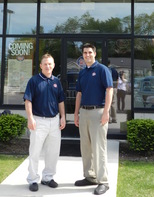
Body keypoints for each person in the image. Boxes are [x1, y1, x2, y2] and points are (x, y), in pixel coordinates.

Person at [74, 43, 113, 195]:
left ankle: (103, 181)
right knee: (86, 147)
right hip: (84, 113)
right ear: (82, 55)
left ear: (95, 54)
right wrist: (76, 114)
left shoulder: (102, 69)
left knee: (99, 148)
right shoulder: (82, 73)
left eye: (90, 52)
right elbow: (79, 94)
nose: (87, 55)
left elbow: (110, 90)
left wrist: (106, 112)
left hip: (99, 112)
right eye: (85, 52)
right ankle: (90, 176)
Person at [23, 53, 66, 192]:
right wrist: (30, 118)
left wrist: (63, 117)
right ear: (41, 66)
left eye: (50, 64)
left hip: (54, 121)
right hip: (38, 121)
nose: (48, 66)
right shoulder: (34, 81)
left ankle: (48, 177)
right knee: (35, 151)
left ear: (53, 66)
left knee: (53, 152)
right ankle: (33, 179)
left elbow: (61, 100)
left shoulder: (56, 81)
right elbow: (28, 100)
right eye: (45, 64)